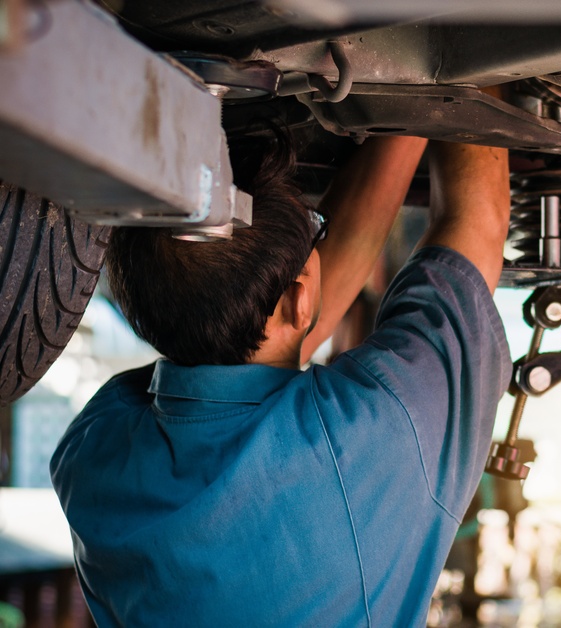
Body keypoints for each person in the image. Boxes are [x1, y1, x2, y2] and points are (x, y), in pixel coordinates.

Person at [48, 134, 513, 626]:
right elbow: (476, 217)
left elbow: (476, 227)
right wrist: (436, 79)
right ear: (298, 301)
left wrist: (416, 117)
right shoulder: (90, 452)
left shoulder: (91, 456)